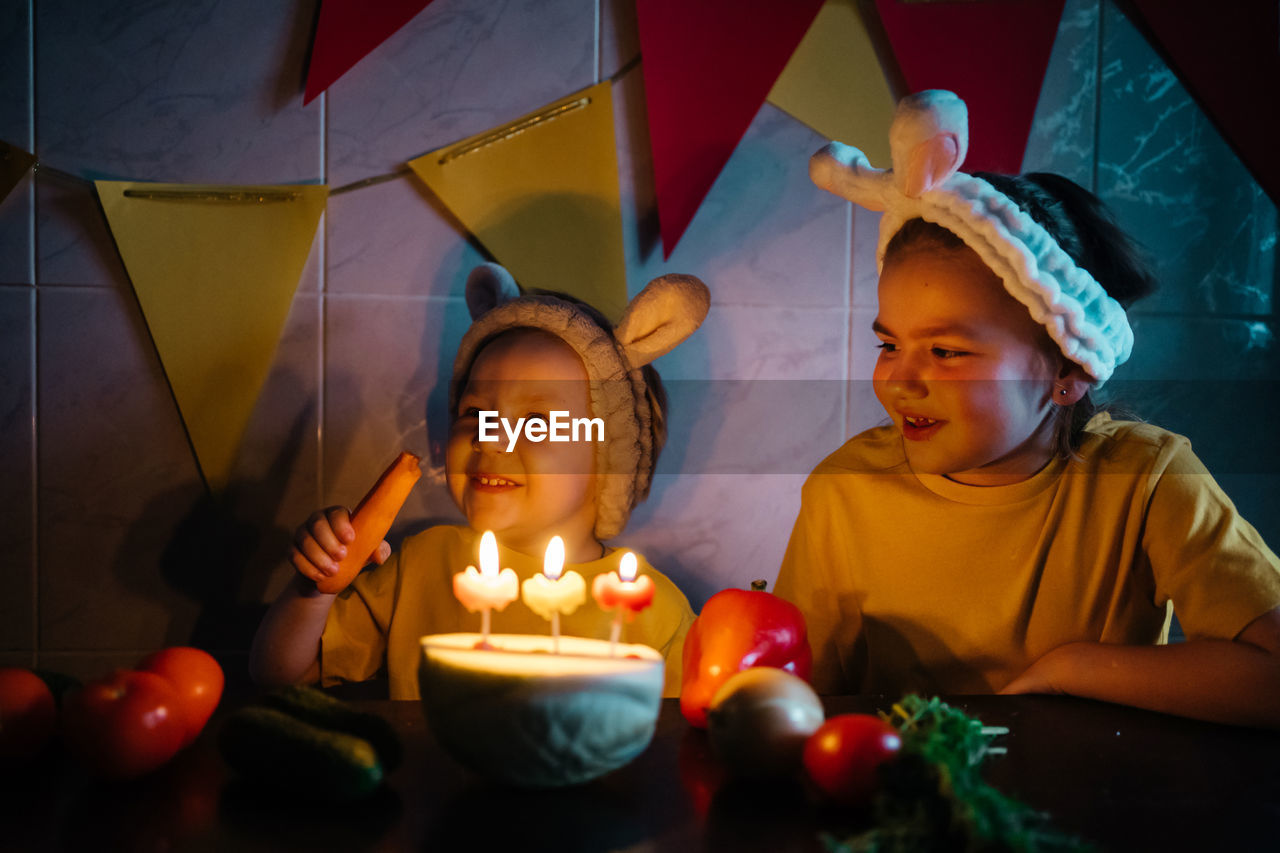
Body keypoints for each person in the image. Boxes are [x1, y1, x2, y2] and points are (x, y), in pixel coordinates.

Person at [777, 90, 1280, 728]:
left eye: (947, 351)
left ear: (1066, 373)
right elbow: (793, 708)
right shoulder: (843, 493)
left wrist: (1074, 669)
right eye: (889, 344)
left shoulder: (1148, 479)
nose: (899, 381)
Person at [250, 263, 709, 699]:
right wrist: (315, 589)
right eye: (477, 414)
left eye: (536, 420)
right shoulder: (420, 568)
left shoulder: (657, 613)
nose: (490, 440)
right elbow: (280, 673)